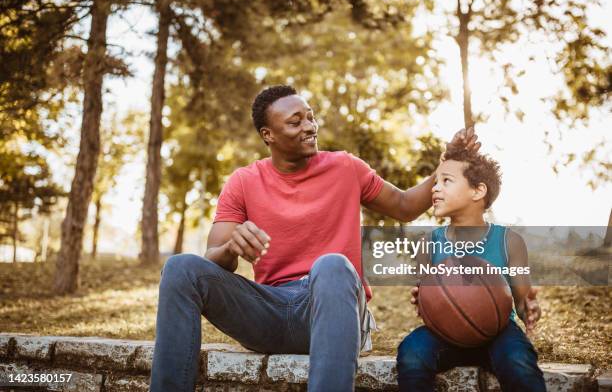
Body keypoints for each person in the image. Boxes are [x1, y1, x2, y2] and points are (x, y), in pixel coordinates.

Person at [150, 85, 480, 392]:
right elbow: (213, 259)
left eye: (310, 117)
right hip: (272, 310)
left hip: (335, 305)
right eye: (295, 122)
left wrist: (445, 166)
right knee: (180, 268)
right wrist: (232, 245)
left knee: (332, 266)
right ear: (269, 135)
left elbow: (405, 206)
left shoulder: (346, 168)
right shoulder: (243, 181)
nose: (310, 127)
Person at [396, 146, 545, 392]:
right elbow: (429, 298)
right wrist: (422, 299)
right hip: (445, 333)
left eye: (446, 181)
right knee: (411, 353)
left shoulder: (510, 242)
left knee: (518, 361)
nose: (435, 188)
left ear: (478, 191)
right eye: (435, 181)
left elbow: (521, 302)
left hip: (498, 331)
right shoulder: (429, 244)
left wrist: (529, 308)